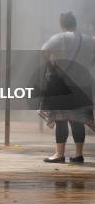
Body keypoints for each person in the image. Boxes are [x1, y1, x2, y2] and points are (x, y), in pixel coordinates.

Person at [40, 12, 95, 163]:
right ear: (75, 23)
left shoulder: (59, 38)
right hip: (82, 84)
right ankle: (78, 154)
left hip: (62, 84)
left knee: (61, 120)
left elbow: (44, 51)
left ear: (62, 24)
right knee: (78, 120)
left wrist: (51, 66)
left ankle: (59, 154)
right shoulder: (88, 40)